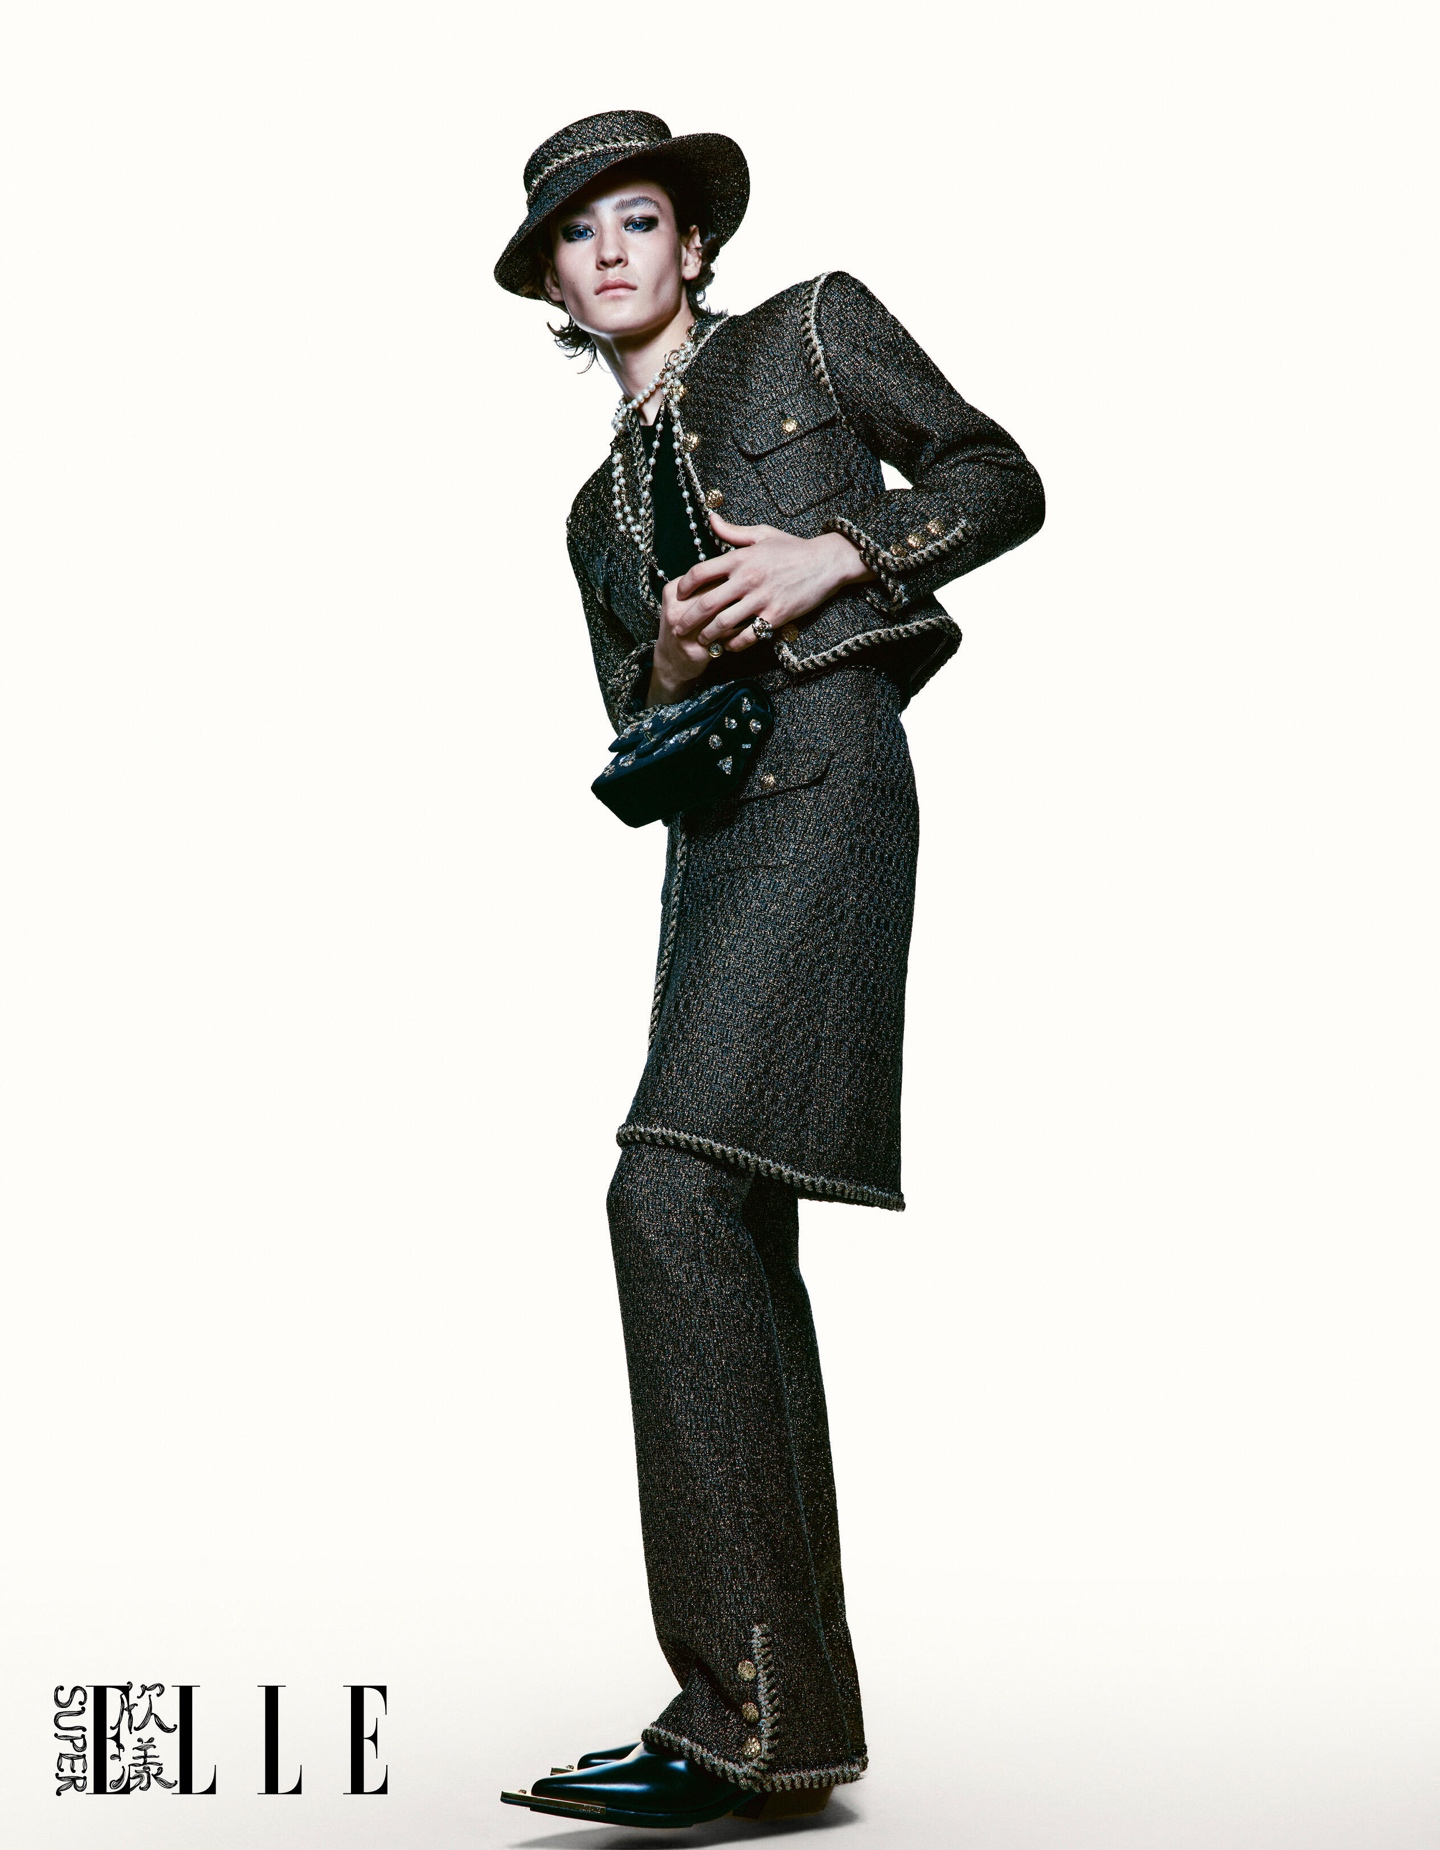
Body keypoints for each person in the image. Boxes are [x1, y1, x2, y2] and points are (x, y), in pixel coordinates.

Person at [495, 109, 1044, 1831]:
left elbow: (998, 476)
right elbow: (631, 722)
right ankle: (786, 1717)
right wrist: (664, 653)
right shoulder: (591, 513)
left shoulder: (812, 328)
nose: (611, 252)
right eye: (579, 235)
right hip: (715, 845)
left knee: (663, 1196)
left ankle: (733, 1712)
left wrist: (843, 550)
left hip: (831, 780)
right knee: (719, 1214)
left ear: (694, 245)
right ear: (558, 290)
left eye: (638, 219)